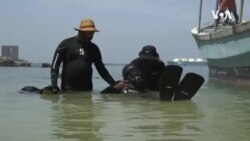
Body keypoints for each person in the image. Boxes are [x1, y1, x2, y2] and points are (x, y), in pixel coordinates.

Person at [50, 18, 117, 93]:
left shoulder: (94, 48)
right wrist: (54, 86)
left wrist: (113, 84)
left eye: (92, 33)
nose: (91, 36)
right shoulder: (65, 44)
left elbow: (102, 70)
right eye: (88, 33)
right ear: (81, 32)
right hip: (68, 91)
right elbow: (54, 66)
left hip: (87, 91)